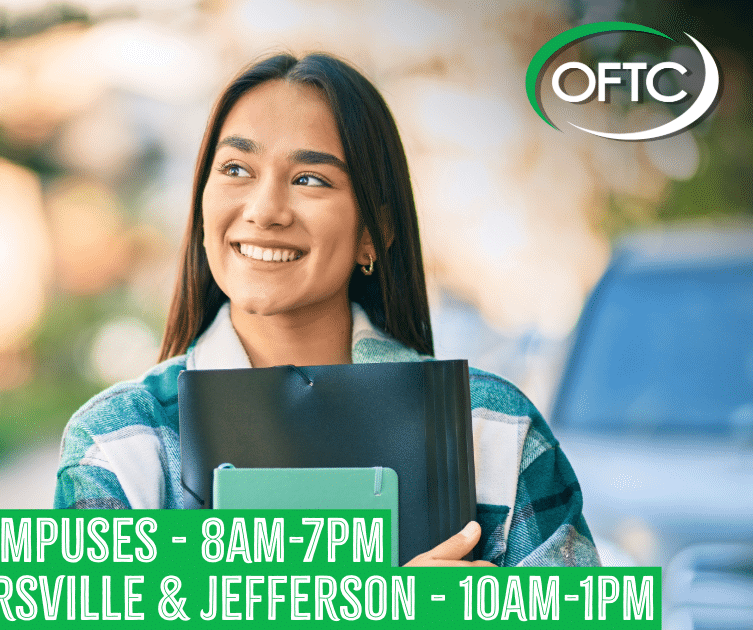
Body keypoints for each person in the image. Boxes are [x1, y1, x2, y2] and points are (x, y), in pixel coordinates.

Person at [54, 52, 600, 567]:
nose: (265, 210)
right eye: (237, 169)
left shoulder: (492, 431)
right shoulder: (120, 446)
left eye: (309, 179)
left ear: (375, 231)